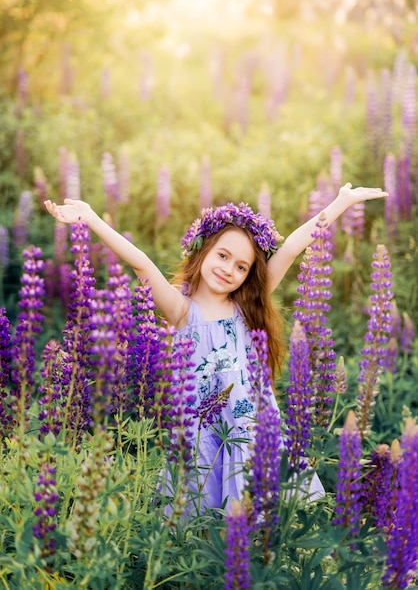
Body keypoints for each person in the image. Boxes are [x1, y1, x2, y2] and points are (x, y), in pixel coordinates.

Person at [44, 183, 387, 510]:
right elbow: (141, 263)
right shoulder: (182, 311)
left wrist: (341, 202)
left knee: (261, 514)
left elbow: (294, 246)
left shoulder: (246, 306)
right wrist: (90, 218)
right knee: (202, 513)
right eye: (222, 255)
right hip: (202, 431)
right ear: (202, 249)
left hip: (252, 427)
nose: (228, 269)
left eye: (241, 266)